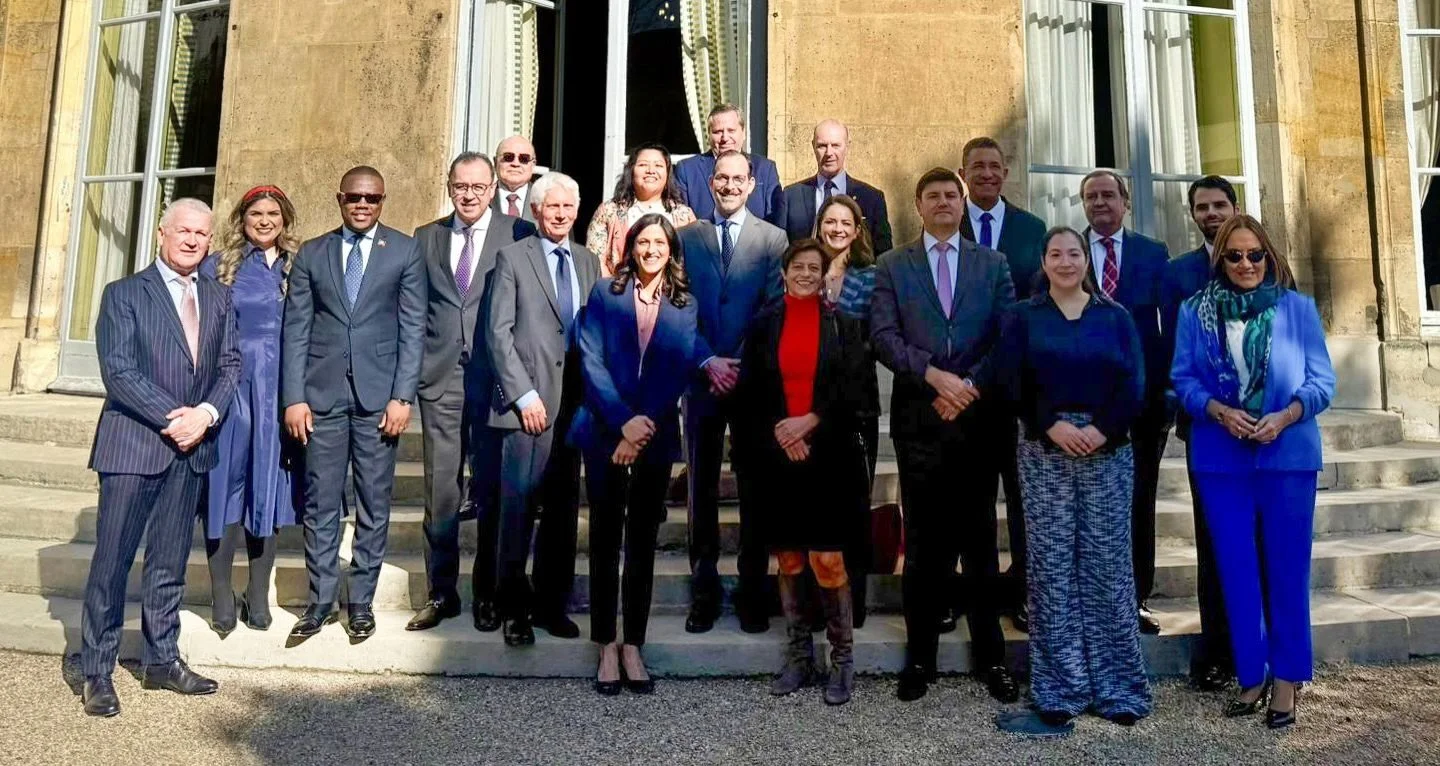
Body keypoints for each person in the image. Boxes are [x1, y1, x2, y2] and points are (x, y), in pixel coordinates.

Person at [1171, 214, 1334, 730]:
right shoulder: (1194, 312)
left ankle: (1286, 680)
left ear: (1269, 255)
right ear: (1220, 258)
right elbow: (1182, 380)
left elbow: (1322, 382)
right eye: (1235, 255)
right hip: (1221, 459)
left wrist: (1286, 415)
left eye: (1255, 254)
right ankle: (1251, 675)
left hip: (1287, 458)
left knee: (1287, 571)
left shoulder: (1297, 309)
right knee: (1236, 573)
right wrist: (1218, 411)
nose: (1246, 264)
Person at [80, 198, 241, 717]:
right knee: (112, 563)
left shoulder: (218, 296)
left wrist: (207, 415)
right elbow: (119, 371)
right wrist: (179, 419)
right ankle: (97, 671)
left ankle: (161, 660)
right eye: (183, 230)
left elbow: (230, 365)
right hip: (134, 446)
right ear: (161, 233)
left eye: (201, 233)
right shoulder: (124, 293)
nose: (192, 240)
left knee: (169, 564)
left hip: (190, 453)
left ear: (210, 241)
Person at [992, 227, 1151, 737]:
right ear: (1043, 262)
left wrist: (1103, 430)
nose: (1065, 262)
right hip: (1045, 450)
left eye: (1074, 253)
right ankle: (1061, 688)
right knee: (1052, 567)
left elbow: (1135, 383)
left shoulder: (1115, 317)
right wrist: (1051, 426)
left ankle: (1118, 687)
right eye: (1056, 254)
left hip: (1108, 452)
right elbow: (1010, 382)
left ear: (1087, 260)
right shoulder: (1023, 317)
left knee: (1107, 566)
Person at [870, 167, 1018, 703]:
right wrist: (934, 376)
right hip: (921, 420)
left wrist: (969, 385)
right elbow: (883, 335)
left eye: (951, 195)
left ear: (963, 202)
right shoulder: (892, 265)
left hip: (978, 422)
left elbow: (1006, 335)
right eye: (933, 195)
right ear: (918, 204)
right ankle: (920, 659)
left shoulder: (993, 263)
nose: (943, 202)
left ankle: (992, 659)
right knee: (924, 546)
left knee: (980, 545)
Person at [282, 166, 426, 640]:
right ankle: (321, 601)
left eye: (372, 198)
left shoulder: (404, 250)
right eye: (354, 198)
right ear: (339, 199)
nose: (363, 205)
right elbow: (296, 329)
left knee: (373, 502)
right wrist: (294, 397)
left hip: (379, 399)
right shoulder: (312, 252)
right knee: (321, 501)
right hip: (321, 397)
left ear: (383, 201)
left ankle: (360, 601)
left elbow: (413, 328)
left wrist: (402, 396)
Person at [570, 214, 701, 695]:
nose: (651, 250)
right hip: (605, 431)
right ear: (630, 247)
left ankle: (634, 645)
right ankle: (606, 643)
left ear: (671, 250)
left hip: (654, 436)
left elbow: (677, 369)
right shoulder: (607, 293)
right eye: (643, 241)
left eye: (659, 242)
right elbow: (591, 359)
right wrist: (622, 421)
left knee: (643, 541)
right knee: (605, 539)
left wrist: (639, 429)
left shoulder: (685, 304)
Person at [407, 153, 536, 633]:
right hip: (440, 380)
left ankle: (488, 593)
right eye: (461, 186)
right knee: (440, 491)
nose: (469, 195)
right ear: (448, 187)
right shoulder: (426, 237)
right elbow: (413, 309)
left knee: (490, 491)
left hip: (494, 380)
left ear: (493, 188)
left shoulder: (517, 232)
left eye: (479, 187)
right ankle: (441, 592)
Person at [738, 239, 869, 706]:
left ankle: (842, 660)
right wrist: (783, 433)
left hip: (829, 458)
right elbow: (750, 393)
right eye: (799, 266)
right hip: (777, 458)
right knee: (790, 559)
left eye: (815, 267)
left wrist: (810, 423)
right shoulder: (763, 325)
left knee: (828, 560)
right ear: (785, 272)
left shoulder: (843, 325)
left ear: (824, 274)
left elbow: (856, 394)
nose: (807, 274)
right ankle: (799, 657)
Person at [485, 171, 601, 646]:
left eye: (568, 207)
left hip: (575, 403)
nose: (561, 214)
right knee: (518, 508)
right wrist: (523, 395)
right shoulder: (513, 258)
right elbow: (498, 333)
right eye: (553, 206)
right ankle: (514, 609)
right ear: (535, 211)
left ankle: (553, 605)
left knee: (562, 508)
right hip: (528, 404)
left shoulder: (588, 260)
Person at [677, 149, 788, 634]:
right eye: (721, 178)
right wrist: (707, 359)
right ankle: (703, 590)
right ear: (711, 183)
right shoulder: (688, 238)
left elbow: (774, 306)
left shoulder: (773, 239)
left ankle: (751, 590)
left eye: (737, 178)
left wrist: (739, 363)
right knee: (700, 487)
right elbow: (679, 302)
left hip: (750, 381)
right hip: (701, 379)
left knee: (754, 488)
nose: (728, 186)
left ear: (751, 184)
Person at [201, 185, 304, 636]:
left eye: (273, 213)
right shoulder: (219, 266)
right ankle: (222, 592)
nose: (265, 221)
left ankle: (258, 592)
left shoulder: (297, 265)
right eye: (256, 213)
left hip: (279, 391)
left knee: (269, 485)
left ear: (285, 219)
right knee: (225, 485)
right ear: (242, 219)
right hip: (232, 386)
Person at [957, 136, 1048, 633]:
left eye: (994, 166)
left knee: (1022, 498)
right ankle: (974, 594)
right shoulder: (947, 223)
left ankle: (1025, 592)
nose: (987, 174)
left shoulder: (1032, 230)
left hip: (1017, 387)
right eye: (978, 167)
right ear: (964, 173)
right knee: (969, 500)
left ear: (1005, 171)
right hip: (963, 384)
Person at [1079, 169, 1170, 635]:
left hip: (1143, 404)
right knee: (1088, 508)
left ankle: (1135, 599)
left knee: (1139, 502)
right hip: (1083, 408)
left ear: (1126, 201)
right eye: (1091, 196)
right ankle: (1090, 601)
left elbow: (1166, 330)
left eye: (1108, 195)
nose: (1100, 203)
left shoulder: (1153, 254)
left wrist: (1166, 395)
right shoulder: (1068, 252)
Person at [1163, 175, 1240, 691]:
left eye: (1218, 205)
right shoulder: (1179, 273)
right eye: (1202, 207)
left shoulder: (1269, 263)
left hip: (1261, 430)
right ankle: (1216, 654)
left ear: (1235, 207)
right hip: (1206, 426)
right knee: (1213, 541)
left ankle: (1260, 651)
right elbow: (1176, 353)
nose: (1210, 214)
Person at [815, 194, 880, 627]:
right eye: (830, 221)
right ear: (819, 226)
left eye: (845, 223)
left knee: (855, 507)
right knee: (815, 511)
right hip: (810, 407)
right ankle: (819, 606)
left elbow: (879, 335)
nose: (837, 229)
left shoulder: (871, 277)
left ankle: (852, 606)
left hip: (857, 407)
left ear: (857, 231)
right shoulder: (805, 272)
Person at [585, 142, 696, 276]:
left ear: (668, 174)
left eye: (658, 165)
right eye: (643, 165)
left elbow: (693, 261)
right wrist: (615, 287)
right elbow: (594, 260)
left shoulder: (684, 215)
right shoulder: (609, 211)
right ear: (631, 172)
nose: (651, 170)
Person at [782, 120, 893, 253]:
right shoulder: (791, 196)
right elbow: (779, 250)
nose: (829, 153)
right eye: (822, 146)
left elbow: (883, 254)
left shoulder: (871, 198)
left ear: (847, 146)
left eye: (835, 145)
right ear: (813, 147)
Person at [673, 104, 786, 227]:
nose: (725, 138)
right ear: (708, 135)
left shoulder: (765, 169)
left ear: (743, 133)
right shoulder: (687, 170)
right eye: (718, 132)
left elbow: (776, 219)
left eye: (731, 130)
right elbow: (681, 219)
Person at [492, 135, 540, 223]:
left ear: (533, 165)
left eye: (524, 159)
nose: (515, 164)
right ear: (495, 162)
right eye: (508, 157)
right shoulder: (482, 198)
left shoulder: (545, 199)